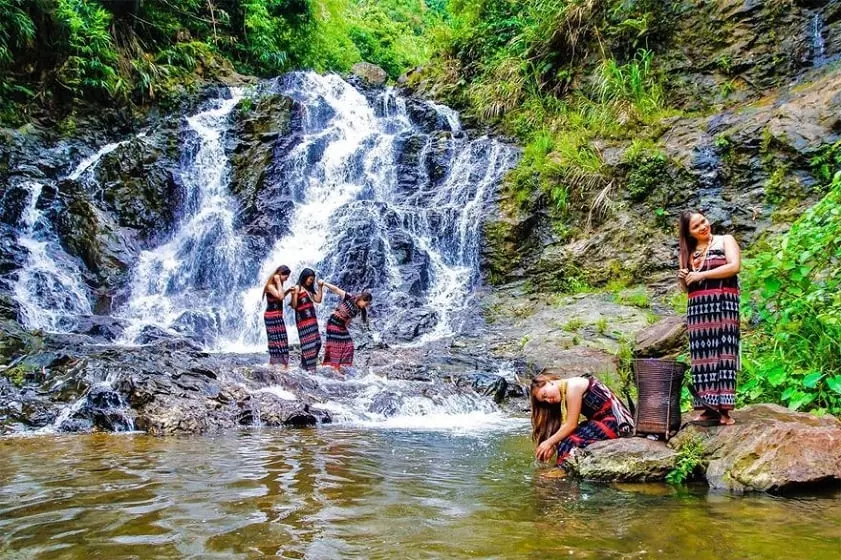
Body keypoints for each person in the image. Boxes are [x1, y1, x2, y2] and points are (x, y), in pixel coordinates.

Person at [678, 210, 741, 426]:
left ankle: (724, 410)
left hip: (724, 304)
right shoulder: (688, 252)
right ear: (689, 233)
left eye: (703, 221)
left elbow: (734, 267)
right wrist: (683, 278)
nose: (703, 226)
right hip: (698, 308)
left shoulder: (725, 240)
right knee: (701, 357)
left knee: (724, 353)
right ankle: (707, 408)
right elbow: (687, 286)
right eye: (696, 227)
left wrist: (702, 274)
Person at [531, 372, 634, 473]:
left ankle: (563, 471)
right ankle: (563, 469)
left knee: (571, 441)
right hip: (602, 420)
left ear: (550, 382)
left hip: (617, 422)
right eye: (544, 401)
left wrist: (548, 442)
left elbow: (571, 425)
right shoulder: (566, 391)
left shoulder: (573, 386)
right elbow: (565, 426)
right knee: (565, 440)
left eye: (545, 395)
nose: (548, 400)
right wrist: (553, 446)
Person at [320, 281, 372, 370]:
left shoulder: (358, 309)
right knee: (336, 345)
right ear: (362, 299)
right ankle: (335, 368)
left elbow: (348, 319)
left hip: (341, 326)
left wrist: (344, 331)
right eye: (366, 304)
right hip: (333, 322)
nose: (365, 306)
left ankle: (342, 366)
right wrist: (324, 283)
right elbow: (335, 289)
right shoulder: (349, 297)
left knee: (349, 345)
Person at [291, 267, 324, 372]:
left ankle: (304, 366)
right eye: (310, 279)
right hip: (303, 321)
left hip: (312, 320)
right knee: (308, 345)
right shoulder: (297, 288)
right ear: (304, 277)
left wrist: (320, 287)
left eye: (312, 280)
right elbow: (294, 305)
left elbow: (318, 300)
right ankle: (307, 368)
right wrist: (293, 295)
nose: (311, 281)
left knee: (318, 343)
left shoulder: (309, 290)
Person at [263, 265, 292, 367]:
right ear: (279, 275)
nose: (287, 279)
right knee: (276, 340)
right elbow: (280, 296)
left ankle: (275, 364)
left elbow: (281, 296)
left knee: (280, 339)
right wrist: (278, 281)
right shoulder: (270, 286)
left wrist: (288, 291)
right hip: (271, 317)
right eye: (286, 276)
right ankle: (283, 365)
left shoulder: (277, 286)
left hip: (276, 316)